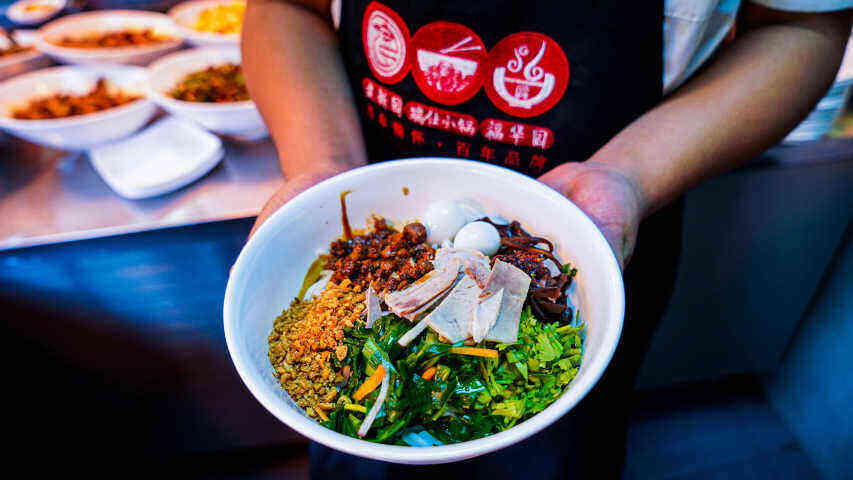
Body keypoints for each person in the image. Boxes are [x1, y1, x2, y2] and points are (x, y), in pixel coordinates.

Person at [242, 1, 851, 478]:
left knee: (561, 455)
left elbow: (802, 25)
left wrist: (626, 177)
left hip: (598, 222)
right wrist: (327, 174)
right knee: (362, 452)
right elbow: (288, 7)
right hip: (374, 191)